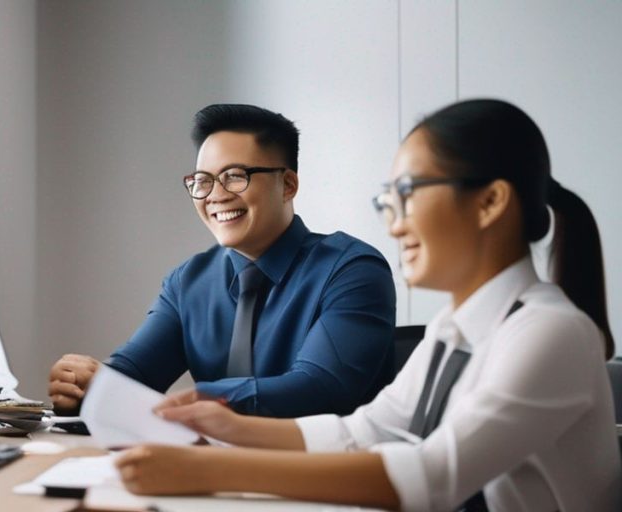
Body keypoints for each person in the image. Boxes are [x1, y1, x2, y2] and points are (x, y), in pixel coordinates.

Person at [114, 99, 621, 511]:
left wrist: (208, 469)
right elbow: (369, 430)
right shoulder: (456, 327)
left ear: (490, 203)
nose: (395, 223)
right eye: (389, 201)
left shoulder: (550, 331)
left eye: (409, 194)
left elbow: (434, 474)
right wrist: (230, 424)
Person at [49, 104, 396, 418]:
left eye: (234, 176)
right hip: (207, 474)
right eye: (203, 180)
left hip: (316, 477)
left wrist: (193, 401)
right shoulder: (188, 282)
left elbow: (318, 388)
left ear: (288, 184)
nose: (215, 195)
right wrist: (86, 386)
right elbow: (134, 372)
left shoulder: (352, 270)